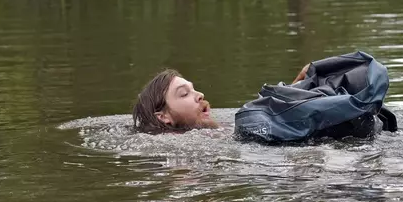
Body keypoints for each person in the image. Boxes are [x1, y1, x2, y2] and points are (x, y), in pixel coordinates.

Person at [132, 65, 309, 134]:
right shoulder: (173, 145)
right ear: (163, 117)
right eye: (184, 93)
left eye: (194, 89)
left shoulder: (222, 129)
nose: (200, 95)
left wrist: (297, 85)